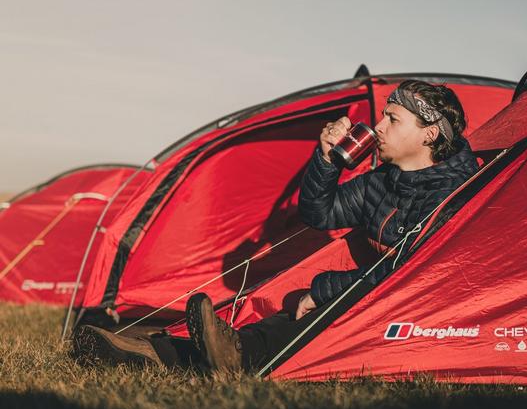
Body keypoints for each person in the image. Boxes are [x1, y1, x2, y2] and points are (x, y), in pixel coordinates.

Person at [72, 80, 479, 372]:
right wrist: (325, 160)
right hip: (378, 298)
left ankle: (178, 354)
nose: (380, 127)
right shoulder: (384, 180)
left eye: (393, 118)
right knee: (294, 306)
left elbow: (412, 270)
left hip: (423, 311)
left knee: (315, 308)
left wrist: (323, 290)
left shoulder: (455, 192)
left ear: (428, 133)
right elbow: (320, 214)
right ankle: (160, 350)